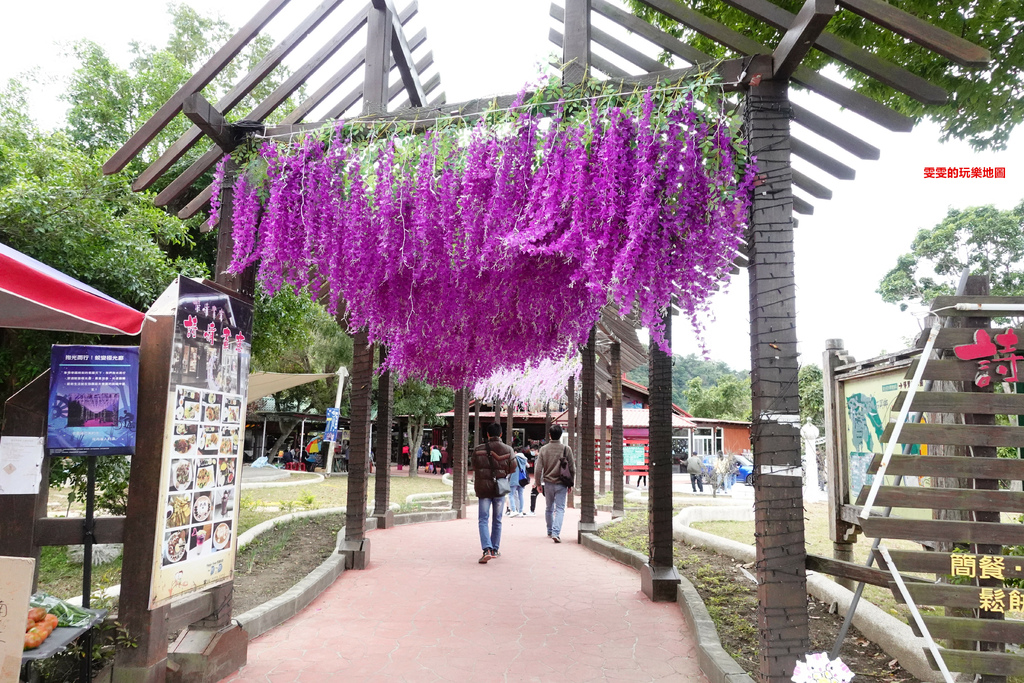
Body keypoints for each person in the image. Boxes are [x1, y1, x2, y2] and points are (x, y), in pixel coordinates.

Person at [472, 423, 514, 563]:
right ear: (501, 434)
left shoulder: (478, 450)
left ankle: (487, 549)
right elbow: (512, 467)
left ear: (488, 435)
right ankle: (495, 549)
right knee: (497, 520)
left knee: (483, 519)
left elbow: (474, 466)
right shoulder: (508, 449)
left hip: (483, 488)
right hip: (499, 489)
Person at [534, 425, 574, 543]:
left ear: (550, 435)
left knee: (549, 508)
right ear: (561, 435)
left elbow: (538, 469)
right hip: (562, 483)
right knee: (560, 508)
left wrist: (538, 484)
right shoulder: (566, 449)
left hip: (548, 483)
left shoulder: (544, 449)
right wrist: (570, 483)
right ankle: (556, 533)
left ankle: (550, 531)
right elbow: (572, 468)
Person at [507, 448, 529, 517]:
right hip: (522, 479)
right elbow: (528, 466)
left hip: (513, 479)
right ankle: (521, 511)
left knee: (511, 495)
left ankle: (513, 510)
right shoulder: (524, 459)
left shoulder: (514, 459)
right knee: (521, 495)